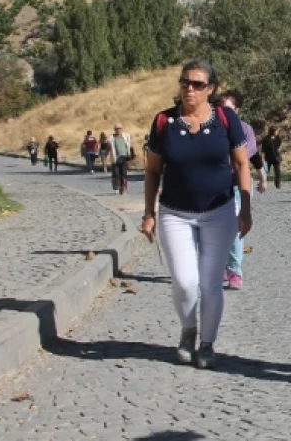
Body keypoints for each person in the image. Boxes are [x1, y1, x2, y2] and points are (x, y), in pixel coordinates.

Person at [139, 59, 252, 370]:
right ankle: (188, 330)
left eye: (198, 84)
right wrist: (148, 212)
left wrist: (247, 209)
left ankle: (207, 343)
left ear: (210, 89)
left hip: (219, 212)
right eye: (185, 82)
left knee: (210, 284)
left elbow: (242, 165)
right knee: (185, 282)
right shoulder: (163, 121)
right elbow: (152, 171)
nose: (190, 89)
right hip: (175, 213)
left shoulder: (226, 119)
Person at [219, 91, 267, 291]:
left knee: (236, 229)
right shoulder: (210, 128)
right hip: (215, 185)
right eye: (220, 108)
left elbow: (248, 157)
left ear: (237, 110)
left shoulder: (244, 129)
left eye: (228, 109)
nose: (223, 113)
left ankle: (235, 272)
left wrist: (263, 177)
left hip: (238, 184)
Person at [109, 123, 133, 195]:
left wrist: (130, 154)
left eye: (120, 129)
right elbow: (110, 147)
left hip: (124, 158)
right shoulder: (112, 138)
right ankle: (116, 187)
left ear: (122, 129)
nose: (118, 130)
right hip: (115, 158)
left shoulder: (126, 136)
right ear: (115, 130)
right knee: (116, 174)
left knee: (124, 174)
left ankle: (123, 188)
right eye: (117, 129)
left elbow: (129, 145)